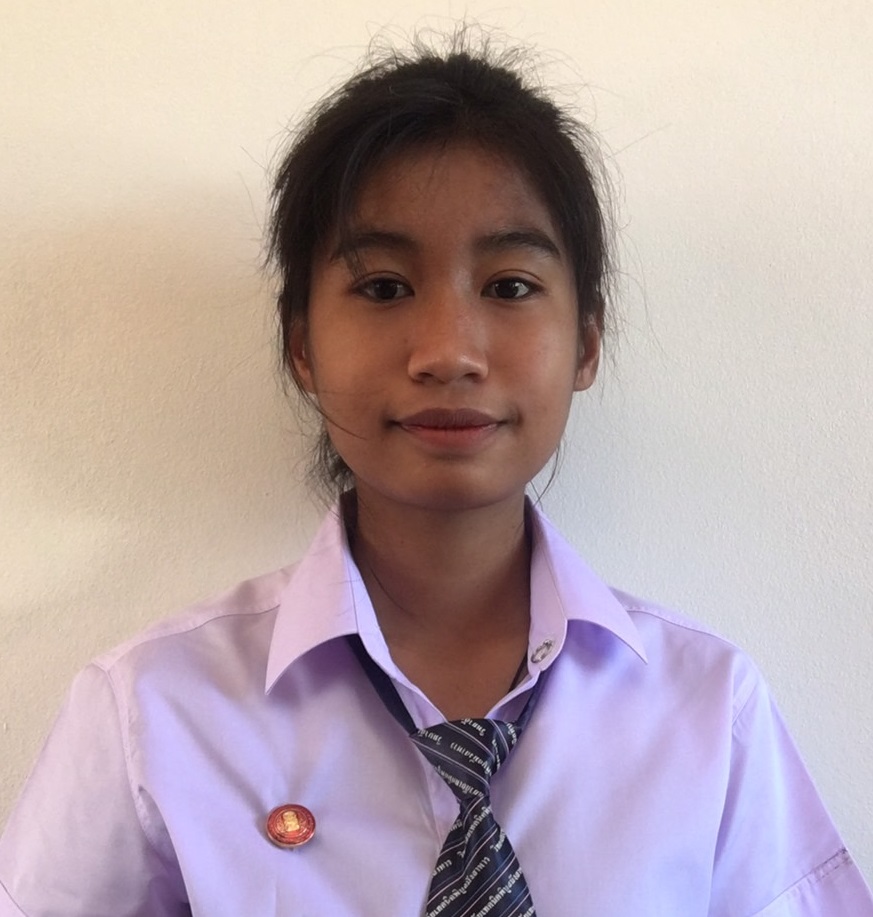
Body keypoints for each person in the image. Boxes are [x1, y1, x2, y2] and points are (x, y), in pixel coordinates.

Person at [1, 33, 871, 917]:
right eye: (383, 287)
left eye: (509, 285)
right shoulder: (154, 710)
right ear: (302, 346)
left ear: (586, 341)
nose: (448, 351)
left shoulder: (707, 708)